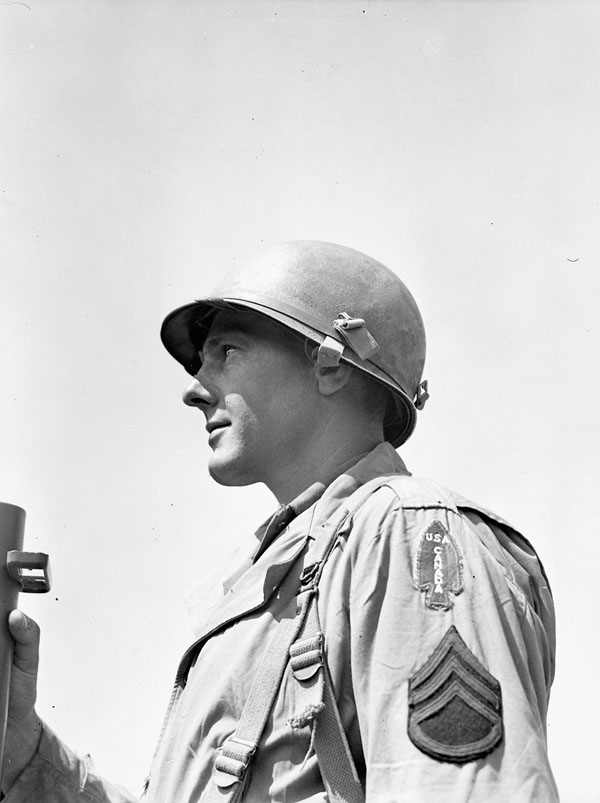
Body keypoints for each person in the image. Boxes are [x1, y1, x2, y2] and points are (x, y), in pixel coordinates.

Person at [1, 241, 557, 802]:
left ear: (331, 363)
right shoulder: (291, 567)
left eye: (228, 351)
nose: (195, 388)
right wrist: (23, 751)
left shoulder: (405, 531)